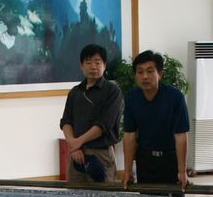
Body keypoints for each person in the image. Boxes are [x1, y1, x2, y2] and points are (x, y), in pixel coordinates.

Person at [122, 50, 189, 189]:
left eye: (150, 71)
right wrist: (127, 171)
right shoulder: (132, 98)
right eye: (140, 72)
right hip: (145, 160)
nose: (145, 76)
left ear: (160, 74)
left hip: (170, 158)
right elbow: (129, 135)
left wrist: (182, 171)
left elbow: (181, 135)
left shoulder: (175, 97)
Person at [60, 44, 122, 185]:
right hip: (76, 154)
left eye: (97, 62)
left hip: (101, 154)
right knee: (75, 196)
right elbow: (66, 121)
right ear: (81, 66)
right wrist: (73, 145)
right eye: (88, 63)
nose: (93, 67)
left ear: (105, 65)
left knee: (103, 196)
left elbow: (103, 125)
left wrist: (77, 143)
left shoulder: (112, 91)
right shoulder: (75, 92)